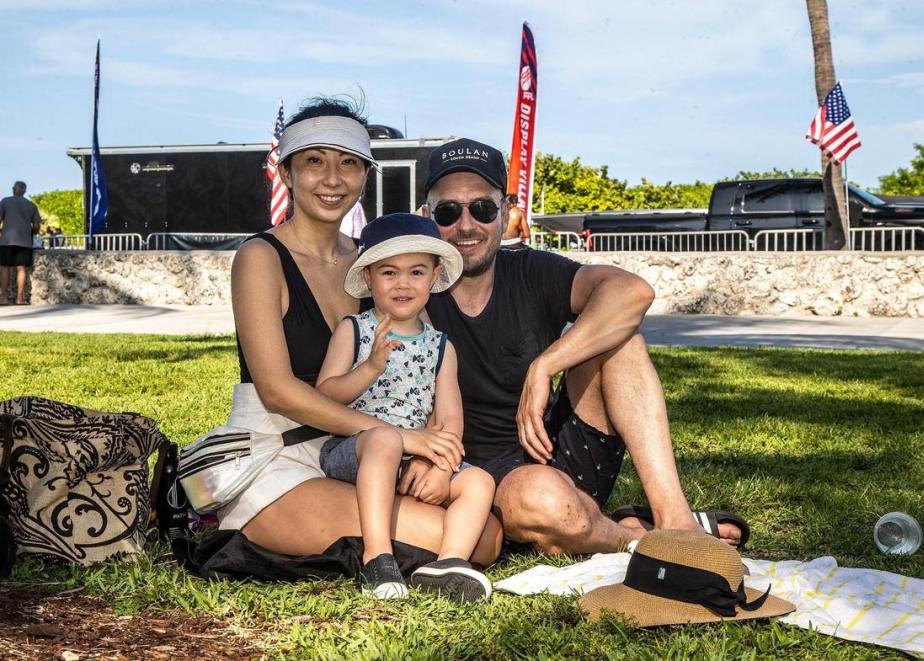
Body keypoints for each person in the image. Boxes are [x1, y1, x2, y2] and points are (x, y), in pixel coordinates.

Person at [421, 138, 747, 555]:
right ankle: (633, 536)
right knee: (545, 503)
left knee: (621, 340)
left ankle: (674, 519)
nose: (466, 226)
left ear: (505, 213)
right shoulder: (411, 286)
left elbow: (632, 293)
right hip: (483, 479)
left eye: (482, 209)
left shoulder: (530, 270)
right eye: (449, 211)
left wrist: (545, 365)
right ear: (427, 217)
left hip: (558, 448)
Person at [223, 98, 502, 583]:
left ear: (364, 176)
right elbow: (277, 391)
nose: (332, 179)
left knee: (488, 532)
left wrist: (435, 455)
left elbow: (426, 362)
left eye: (348, 163)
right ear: (286, 172)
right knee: (471, 538)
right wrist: (401, 437)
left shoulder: (375, 261)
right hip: (283, 450)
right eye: (314, 161)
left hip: (371, 453)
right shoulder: (260, 257)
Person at [316, 213, 495, 601]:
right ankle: (377, 557)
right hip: (357, 451)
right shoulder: (355, 330)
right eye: (389, 273)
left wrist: (441, 467)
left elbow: (448, 420)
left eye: (416, 272)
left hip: (415, 457)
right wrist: (370, 368)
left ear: (434, 277)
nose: (403, 284)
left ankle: (448, 564)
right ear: (368, 278)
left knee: (479, 482)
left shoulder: (441, 347)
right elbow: (326, 394)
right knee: (383, 440)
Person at [0, 181, 42, 305]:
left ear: (13, 189)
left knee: (5, 268)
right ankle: (20, 299)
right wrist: (33, 231)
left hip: (6, 241)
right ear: (25, 191)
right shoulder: (31, 205)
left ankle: (4, 298)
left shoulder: (5, 202)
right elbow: (36, 225)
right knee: (21, 268)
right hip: (24, 241)